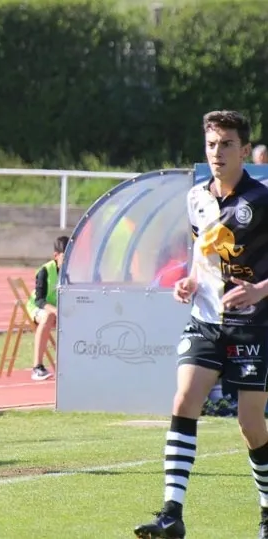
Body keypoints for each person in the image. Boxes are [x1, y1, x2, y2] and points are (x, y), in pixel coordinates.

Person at [134, 110, 268, 538]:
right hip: (206, 318)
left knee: (251, 425)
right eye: (211, 144)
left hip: (254, 325)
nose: (217, 152)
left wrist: (259, 291)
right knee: (183, 401)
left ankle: (267, 512)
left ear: (244, 150)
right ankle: (172, 514)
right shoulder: (196, 197)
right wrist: (191, 281)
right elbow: (201, 252)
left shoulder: (262, 201)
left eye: (226, 144)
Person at [25, 236, 67, 382]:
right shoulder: (45, 271)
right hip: (38, 308)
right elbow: (39, 300)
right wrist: (55, 311)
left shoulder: (72, 271)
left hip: (58, 310)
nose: (68, 262)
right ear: (56, 256)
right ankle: (37, 367)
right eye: (65, 257)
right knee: (48, 316)